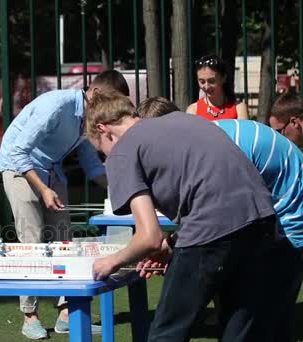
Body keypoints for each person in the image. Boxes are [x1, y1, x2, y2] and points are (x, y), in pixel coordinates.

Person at [86, 91, 277, 341]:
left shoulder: (123, 148)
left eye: (101, 150)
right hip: (262, 220)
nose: (106, 157)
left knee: (166, 334)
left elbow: (149, 237)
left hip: (211, 231)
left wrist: (112, 261)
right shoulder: (185, 120)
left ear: (104, 129)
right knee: (238, 329)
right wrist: (174, 242)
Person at [139, 96, 303, 342]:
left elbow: (220, 213)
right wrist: (173, 244)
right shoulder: (204, 137)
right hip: (273, 218)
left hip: (286, 224)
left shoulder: (205, 146)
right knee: (256, 321)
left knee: (261, 324)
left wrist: (174, 247)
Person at [0, 69, 129, 339]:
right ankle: (30, 316)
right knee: (31, 241)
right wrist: (43, 189)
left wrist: (125, 191)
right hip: (18, 166)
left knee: (63, 240)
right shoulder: (57, 105)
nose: (115, 112)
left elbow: (93, 166)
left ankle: (67, 314)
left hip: (50, 169)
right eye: (113, 102)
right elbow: (19, 150)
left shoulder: (90, 117)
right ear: (97, 94)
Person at [186, 54, 249, 120]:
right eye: (202, 82)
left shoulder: (239, 108)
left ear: (224, 78)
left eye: (211, 81)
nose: (206, 86)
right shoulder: (193, 110)